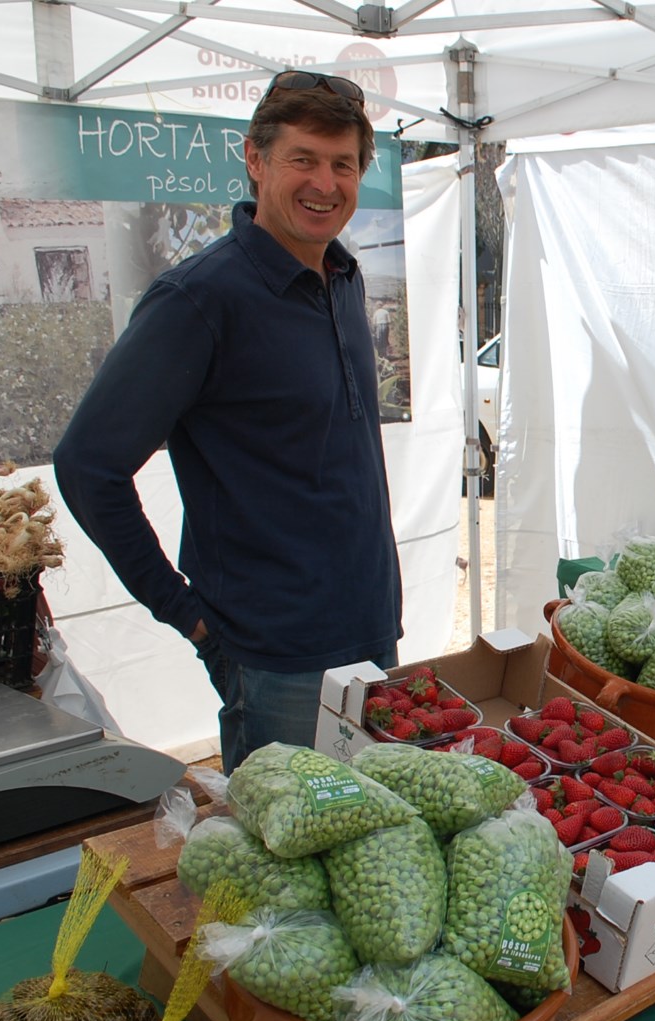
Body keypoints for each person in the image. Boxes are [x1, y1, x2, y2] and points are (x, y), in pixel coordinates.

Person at [54, 70, 402, 773]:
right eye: (303, 159)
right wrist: (186, 613)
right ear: (255, 159)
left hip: (371, 635)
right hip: (275, 663)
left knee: (370, 855)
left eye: (342, 165)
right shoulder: (200, 299)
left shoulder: (342, 276)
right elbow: (88, 465)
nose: (325, 184)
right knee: (283, 876)